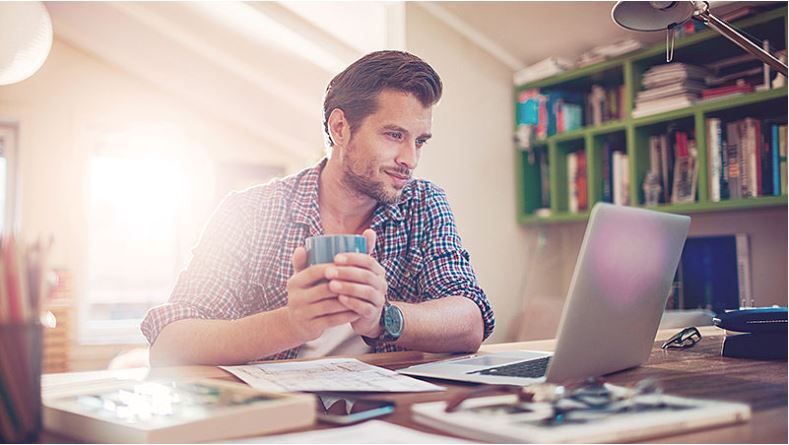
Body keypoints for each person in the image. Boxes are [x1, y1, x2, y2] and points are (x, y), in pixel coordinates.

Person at [142, 50, 495, 366]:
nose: (410, 159)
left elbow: (470, 321)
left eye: (419, 141)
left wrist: (383, 318)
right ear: (340, 127)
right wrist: (291, 324)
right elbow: (171, 344)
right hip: (279, 414)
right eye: (394, 135)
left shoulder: (423, 204)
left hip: (388, 411)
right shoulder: (247, 212)